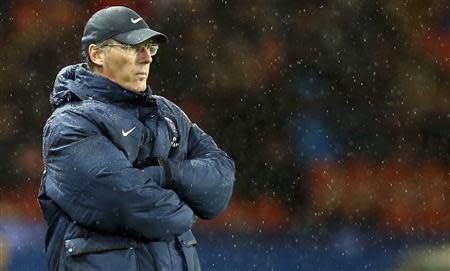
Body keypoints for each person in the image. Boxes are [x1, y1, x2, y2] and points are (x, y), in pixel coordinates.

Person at [38, 6, 235, 271]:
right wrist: (187, 206)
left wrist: (166, 173)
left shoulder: (168, 113)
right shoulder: (69, 125)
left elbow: (220, 184)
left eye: (150, 48)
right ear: (97, 54)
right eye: (133, 47)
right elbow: (130, 204)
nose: (147, 58)